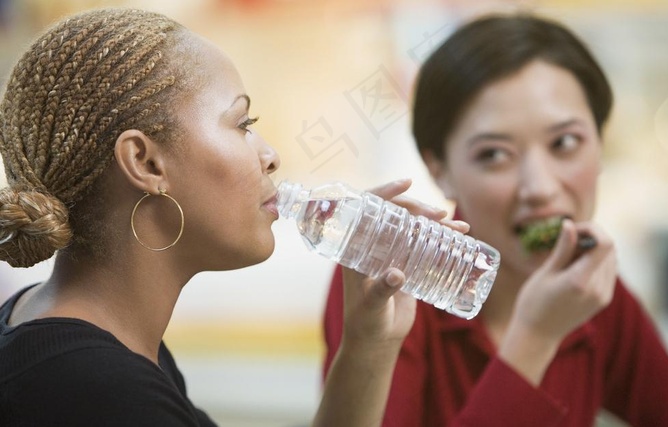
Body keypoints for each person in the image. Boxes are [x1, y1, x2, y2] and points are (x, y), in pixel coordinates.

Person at [0, 8, 469, 426]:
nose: (271, 156)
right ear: (145, 163)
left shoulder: (67, 337)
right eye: (243, 124)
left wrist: (370, 338)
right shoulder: (97, 390)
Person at [323, 13, 668, 427]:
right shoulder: (385, 292)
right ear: (438, 169)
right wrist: (535, 337)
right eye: (494, 154)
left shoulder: (595, 298)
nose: (538, 187)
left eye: (566, 142)